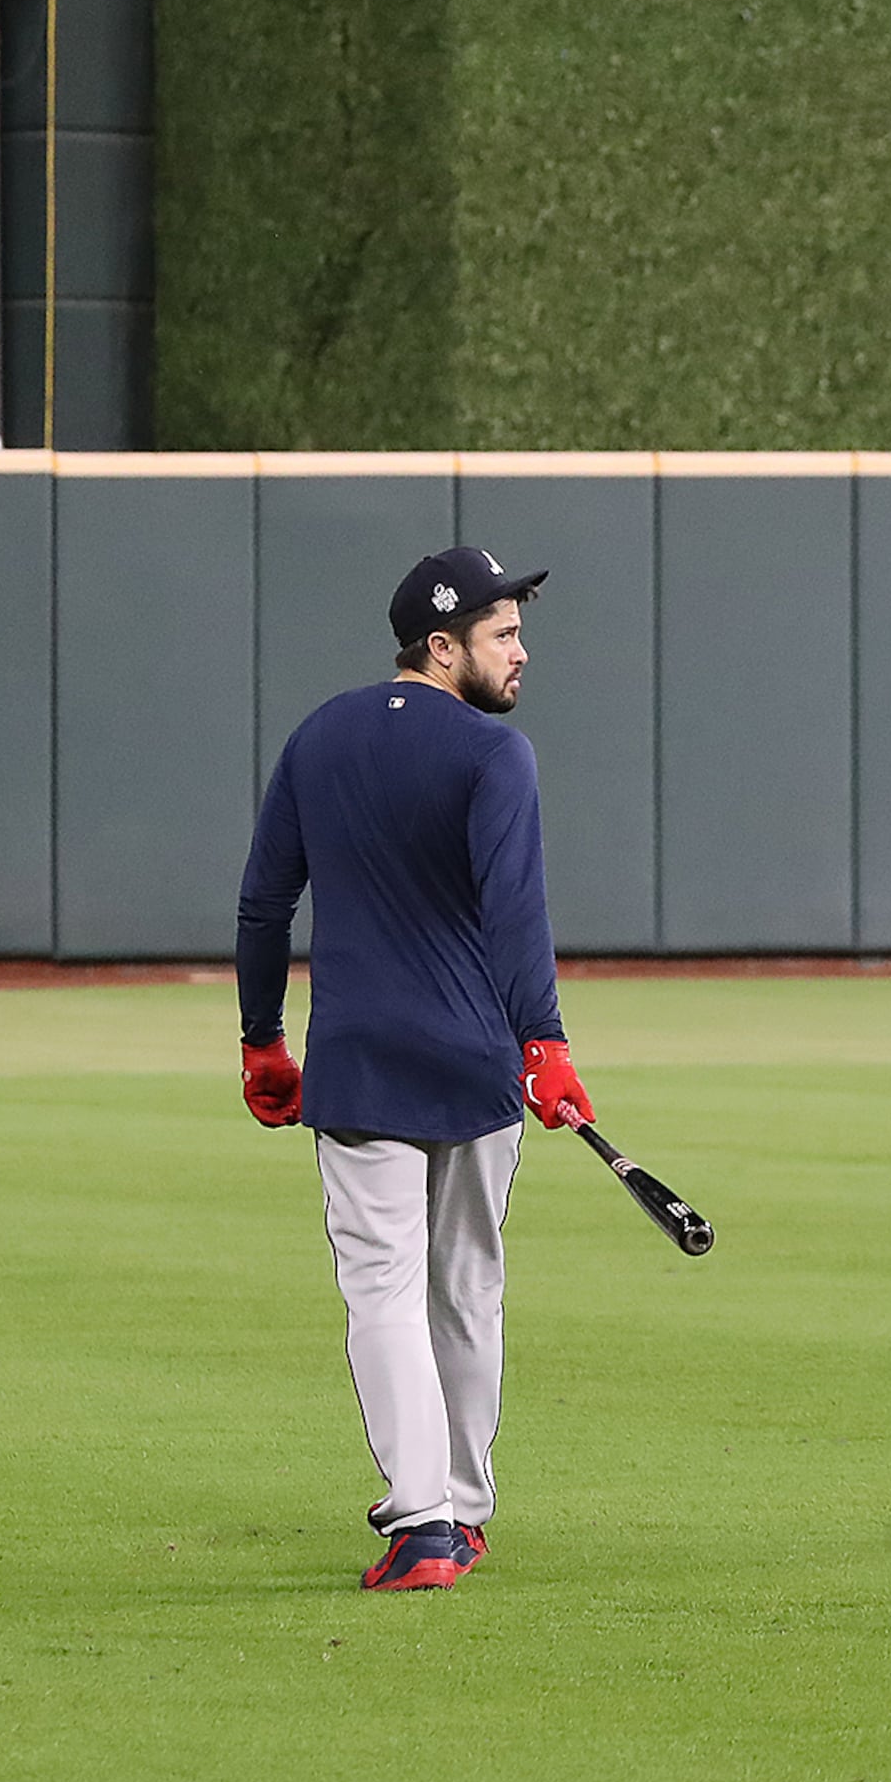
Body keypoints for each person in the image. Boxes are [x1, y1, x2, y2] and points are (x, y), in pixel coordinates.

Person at [233, 546, 596, 1593]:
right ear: (441, 646)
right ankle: (463, 1511)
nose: (521, 651)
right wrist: (545, 1042)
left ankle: (425, 1521)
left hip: (360, 1066)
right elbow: (516, 911)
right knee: (467, 1289)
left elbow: (264, 903)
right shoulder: (494, 755)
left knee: (385, 1294)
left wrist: (262, 1038)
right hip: (479, 1061)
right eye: (502, 634)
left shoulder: (318, 737)